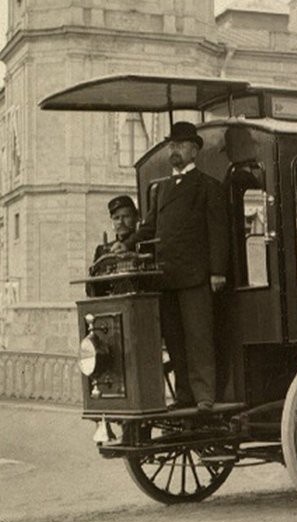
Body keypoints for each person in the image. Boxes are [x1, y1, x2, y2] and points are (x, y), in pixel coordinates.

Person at [112, 121, 229, 411]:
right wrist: (125, 245)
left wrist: (217, 271)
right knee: (175, 339)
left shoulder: (208, 186)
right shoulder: (161, 190)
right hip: (166, 276)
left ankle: (204, 395)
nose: (174, 151)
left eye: (179, 146)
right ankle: (184, 395)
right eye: (171, 146)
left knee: (198, 337)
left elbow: (218, 231)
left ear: (194, 150)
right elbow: (149, 227)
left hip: (195, 276)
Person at [86, 195, 139, 297]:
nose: (120, 222)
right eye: (116, 218)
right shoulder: (103, 251)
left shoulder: (145, 245)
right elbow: (92, 291)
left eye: (126, 216)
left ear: (136, 217)